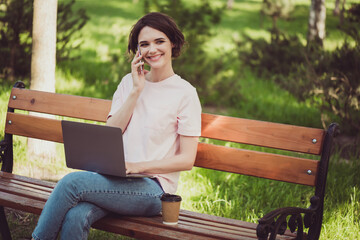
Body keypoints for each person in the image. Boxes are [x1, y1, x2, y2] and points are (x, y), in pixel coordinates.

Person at [31, 12, 202, 240]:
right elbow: (111, 131)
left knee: (71, 182)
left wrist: (137, 166)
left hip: (153, 189)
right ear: (138, 51)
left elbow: (187, 160)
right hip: (116, 180)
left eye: (159, 41)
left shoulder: (185, 94)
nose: (152, 50)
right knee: (77, 215)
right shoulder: (128, 83)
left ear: (172, 42)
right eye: (144, 44)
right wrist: (136, 91)